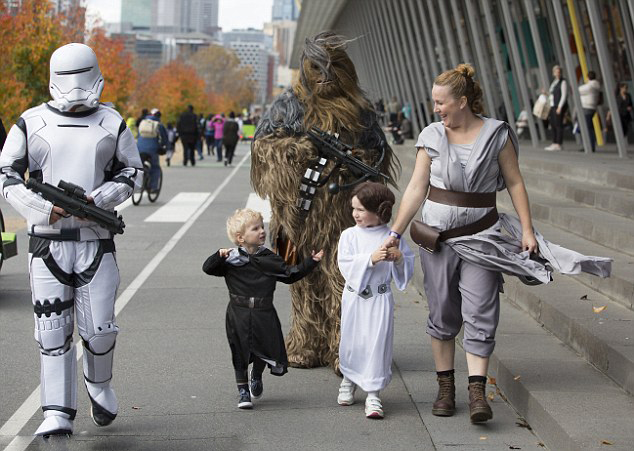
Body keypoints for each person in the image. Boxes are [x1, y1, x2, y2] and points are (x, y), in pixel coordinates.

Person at [383, 63, 611, 424]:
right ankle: (445, 387)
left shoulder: (496, 134)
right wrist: (395, 231)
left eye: (441, 102)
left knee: (481, 311)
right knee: (442, 313)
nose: (436, 109)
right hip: (438, 242)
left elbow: (515, 182)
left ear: (462, 101)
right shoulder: (431, 135)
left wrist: (527, 230)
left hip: (482, 238)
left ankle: (477, 391)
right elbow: (415, 188)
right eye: (434, 102)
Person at [0, 43, 142, 436]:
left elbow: (132, 172)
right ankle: (57, 410)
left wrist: (101, 198)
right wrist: (42, 208)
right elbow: (7, 174)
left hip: (96, 238)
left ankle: (99, 384)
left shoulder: (112, 122)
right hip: (47, 242)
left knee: (100, 329)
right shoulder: (30, 122)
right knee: (51, 330)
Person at [251, 32, 397, 371]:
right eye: (317, 68)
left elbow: (378, 161)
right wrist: (297, 152)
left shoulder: (361, 113)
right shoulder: (288, 106)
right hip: (296, 219)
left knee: (344, 278)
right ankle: (306, 341)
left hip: (342, 218)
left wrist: (353, 162)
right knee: (301, 279)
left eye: (333, 68)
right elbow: (263, 151)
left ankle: (345, 345)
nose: (326, 76)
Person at [202, 209, 324, 409]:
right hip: (238, 312)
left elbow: (290, 274)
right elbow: (208, 268)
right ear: (240, 238)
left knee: (262, 348)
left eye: (261, 227)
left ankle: (257, 374)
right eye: (255, 228)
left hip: (263, 311)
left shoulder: (269, 258)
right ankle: (243, 391)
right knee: (239, 350)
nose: (262, 231)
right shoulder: (230, 260)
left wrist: (312, 262)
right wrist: (218, 255)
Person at [336, 182, 414, 419]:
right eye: (353, 208)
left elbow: (406, 265)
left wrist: (398, 258)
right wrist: (370, 258)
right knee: (352, 342)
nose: (355, 214)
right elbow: (345, 264)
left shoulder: (391, 237)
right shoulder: (349, 235)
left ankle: (373, 394)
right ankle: (348, 380)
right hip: (355, 299)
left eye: (361, 209)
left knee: (376, 345)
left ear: (379, 211)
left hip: (379, 300)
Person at [137, 108, 167, 192]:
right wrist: (164, 147)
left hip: (139, 148)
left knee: (140, 167)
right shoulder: (159, 125)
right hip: (152, 149)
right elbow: (165, 139)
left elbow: (138, 136)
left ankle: (139, 185)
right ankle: (153, 187)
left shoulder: (142, 122)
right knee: (155, 167)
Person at [545, 65, 567, 151]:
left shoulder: (563, 82)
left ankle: (558, 143)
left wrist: (560, 107)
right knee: (553, 124)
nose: (558, 73)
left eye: (559, 72)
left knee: (558, 125)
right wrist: (546, 93)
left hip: (558, 106)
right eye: (556, 72)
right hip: (553, 105)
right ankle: (554, 142)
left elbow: (564, 95)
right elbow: (552, 94)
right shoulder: (554, 82)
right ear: (553, 73)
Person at [578, 71, 601, 152]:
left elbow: (578, 90)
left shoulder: (590, 86)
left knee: (587, 128)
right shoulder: (596, 85)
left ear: (588, 77)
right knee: (588, 127)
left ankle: (589, 146)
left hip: (586, 107)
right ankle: (590, 145)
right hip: (592, 108)